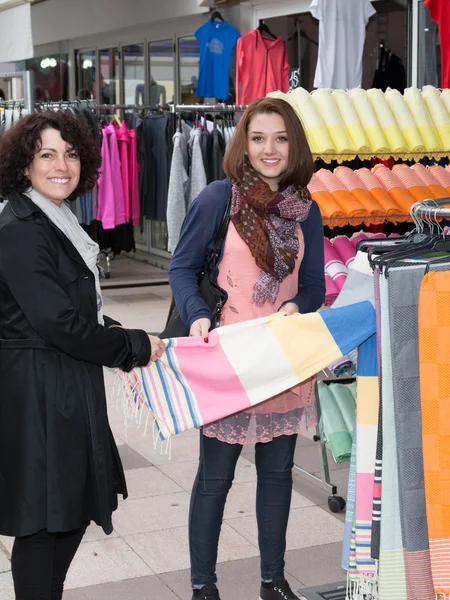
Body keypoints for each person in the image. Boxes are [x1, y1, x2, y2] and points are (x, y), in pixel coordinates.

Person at [0, 111, 166, 600]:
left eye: (70, 154)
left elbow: (76, 311)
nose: (61, 165)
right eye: (46, 154)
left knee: (68, 509)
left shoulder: (54, 219)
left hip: (64, 383)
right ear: (23, 164)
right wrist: (131, 346)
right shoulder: (19, 227)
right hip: (38, 391)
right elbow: (60, 324)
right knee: (43, 518)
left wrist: (117, 330)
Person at [169, 97, 325, 600]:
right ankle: (203, 586)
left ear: (294, 144)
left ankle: (272, 581)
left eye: (280, 138)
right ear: (243, 143)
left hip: (284, 358)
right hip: (228, 357)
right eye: (258, 138)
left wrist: (296, 307)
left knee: (277, 473)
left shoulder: (308, 208)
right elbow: (182, 266)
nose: (269, 149)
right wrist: (196, 315)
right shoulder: (219, 198)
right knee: (215, 478)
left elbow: (316, 285)